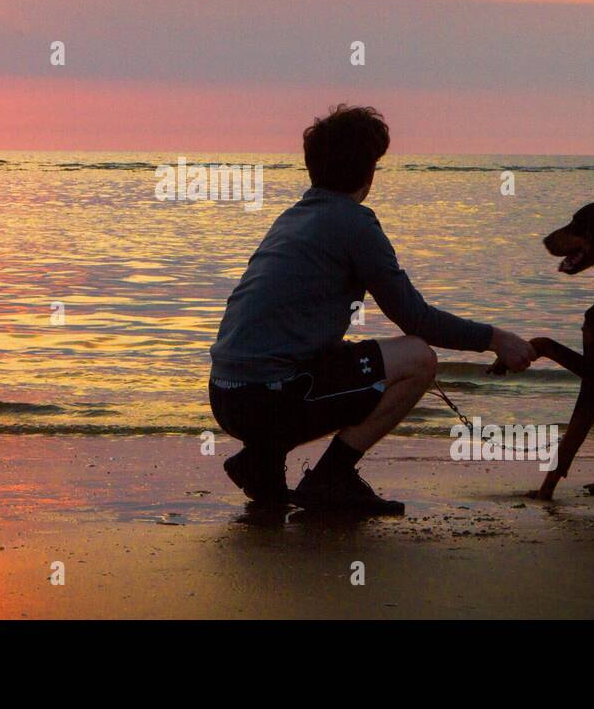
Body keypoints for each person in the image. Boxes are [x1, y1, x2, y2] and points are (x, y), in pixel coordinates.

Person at [208, 105, 536, 514]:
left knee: (335, 354)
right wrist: (495, 339)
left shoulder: (294, 218)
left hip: (226, 395)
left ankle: (262, 459)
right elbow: (416, 320)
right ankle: (331, 477)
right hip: (267, 401)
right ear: (369, 171)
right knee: (417, 358)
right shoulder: (355, 224)